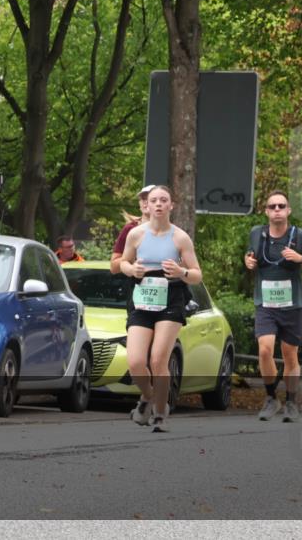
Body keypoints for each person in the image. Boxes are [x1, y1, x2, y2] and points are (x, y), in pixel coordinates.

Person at [119, 186, 202, 433]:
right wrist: (132, 270)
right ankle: (148, 396)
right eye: (153, 200)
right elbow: (123, 262)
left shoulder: (180, 237)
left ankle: (160, 413)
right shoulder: (136, 234)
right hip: (142, 296)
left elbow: (197, 275)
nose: (158, 204)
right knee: (135, 362)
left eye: (163, 200)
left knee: (158, 359)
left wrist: (182, 272)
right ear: (147, 205)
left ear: (171, 205)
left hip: (172, 295)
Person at [245, 190, 302, 422]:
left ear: (288, 210)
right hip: (266, 304)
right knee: (265, 349)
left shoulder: (301, 236)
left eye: (281, 206)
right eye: (272, 206)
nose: (277, 209)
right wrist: (247, 261)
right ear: (266, 211)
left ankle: (290, 401)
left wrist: (300, 259)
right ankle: (271, 398)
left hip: (293, 305)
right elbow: (250, 256)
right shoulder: (257, 234)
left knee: (290, 356)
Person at [110, 185, 153, 274]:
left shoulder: (172, 230)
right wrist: (132, 255)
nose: (146, 202)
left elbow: (184, 265)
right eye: (143, 199)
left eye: (151, 198)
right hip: (135, 284)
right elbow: (113, 267)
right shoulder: (130, 228)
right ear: (139, 204)